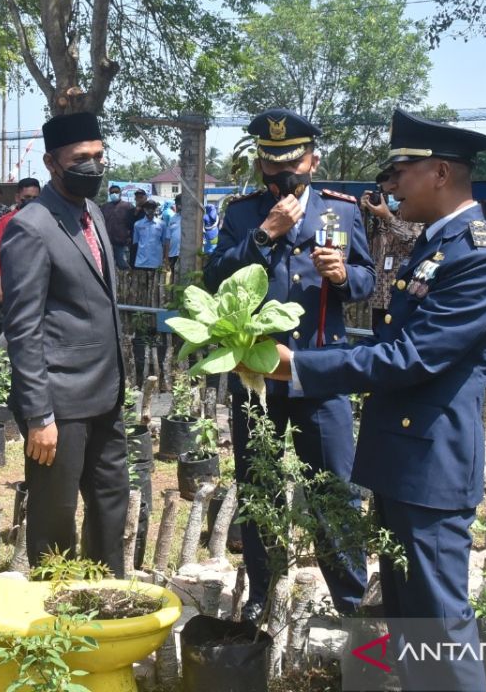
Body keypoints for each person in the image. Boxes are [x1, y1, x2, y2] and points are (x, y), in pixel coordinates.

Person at [259, 109, 486, 692]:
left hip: (431, 470)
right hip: (403, 461)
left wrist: (298, 365)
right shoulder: (437, 245)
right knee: (409, 626)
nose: (391, 184)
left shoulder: (477, 257)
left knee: (441, 630)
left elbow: (409, 357)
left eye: (403, 171)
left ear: (442, 173)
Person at [203, 108, 374, 623]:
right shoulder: (243, 213)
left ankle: (349, 602)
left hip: (322, 374)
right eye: (270, 163)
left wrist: (345, 275)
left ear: (313, 162)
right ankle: (261, 593)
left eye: (292, 163)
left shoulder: (342, 211)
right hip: (257, 376)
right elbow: (215, 278)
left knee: (334, 491)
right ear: (259, 163)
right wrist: (264, 234)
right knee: (260, 489)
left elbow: (368, 281)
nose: (281, 174)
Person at [0, 111, 129, 577]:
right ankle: (56, 607)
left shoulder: (91, 213)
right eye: (80, 159)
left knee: (112, 501)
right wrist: (39, 415)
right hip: (59, 402)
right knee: (55, 516)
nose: (93, 166)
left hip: (107, 394)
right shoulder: (30, 226)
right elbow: (24, 326)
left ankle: (108, 594)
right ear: (53, 163)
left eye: (98, 156)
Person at [362, 169, 424, 329]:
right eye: (382, 193)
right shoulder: (375, 217)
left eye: (390, 192)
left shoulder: (414, 213)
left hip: (402, 294)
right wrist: (363, 212)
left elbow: (415, 244)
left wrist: (388, 217)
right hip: (378, 295)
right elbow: (361, 243)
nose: (387, 197)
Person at [0, 178, 42, 304]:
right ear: (17, 197)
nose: (31, 201)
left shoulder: (46, 220)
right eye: (27, 196)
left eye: (35, 197)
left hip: (39, 282)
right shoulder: (5, 222)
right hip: (13, 282)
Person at [100, 184, 135, 271]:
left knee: (123, 266)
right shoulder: (105, 207)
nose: (114, 194)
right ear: (109, 194)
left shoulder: (128, 207)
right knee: (107, 267)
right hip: (107, 244)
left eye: (116, 192)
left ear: (120, 193)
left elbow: (133, 225)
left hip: (122, 243)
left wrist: (130, 238)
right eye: (112, 192)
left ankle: (126, 284)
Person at [132, 200, 165, 269]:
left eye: (152, 208)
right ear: (144, 209)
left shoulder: (162, 224)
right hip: (141, 261)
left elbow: (164, 242)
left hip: (156, 261)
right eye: (148, 208)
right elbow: (136, 242)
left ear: (155, 209)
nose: (150, 210)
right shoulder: (137, 224)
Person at [163, 194, 182, 273]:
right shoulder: (173, 218)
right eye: (177, 203)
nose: (178, 205)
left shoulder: (193, 218)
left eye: (180, 203)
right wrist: (166, 258)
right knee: (173, 279)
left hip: (186, 256)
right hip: (173, 254)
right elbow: (167, 239)